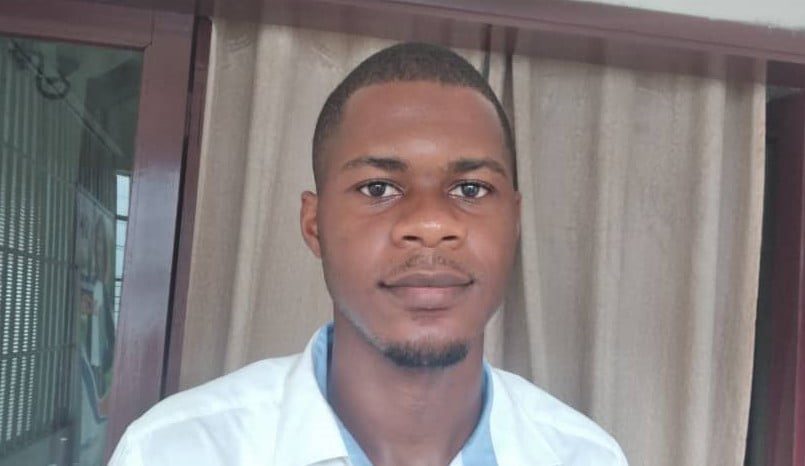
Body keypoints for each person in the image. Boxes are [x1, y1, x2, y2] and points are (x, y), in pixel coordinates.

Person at [110, 42, 628, 466]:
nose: (431, 225)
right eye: (378, 188)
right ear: (314, 224)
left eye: (470, 189)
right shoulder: (174, 452)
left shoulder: (586, 457)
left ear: (514, 223)